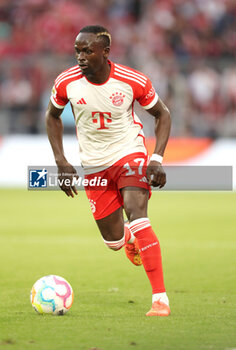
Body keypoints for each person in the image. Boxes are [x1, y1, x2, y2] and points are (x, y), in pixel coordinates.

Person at [46, 25, 171, 316]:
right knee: (113, 241)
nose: (81, 56)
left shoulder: (132, 80)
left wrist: (157, 159)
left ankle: (160, 299)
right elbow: (52, 117)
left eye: (87, 50)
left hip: (129, 152)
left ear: (105, 52)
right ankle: (128, 239)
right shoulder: (66, 82)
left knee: (137, 212)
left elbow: (162, 113)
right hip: (94, 164)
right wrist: (61, 161)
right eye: (77, 50)